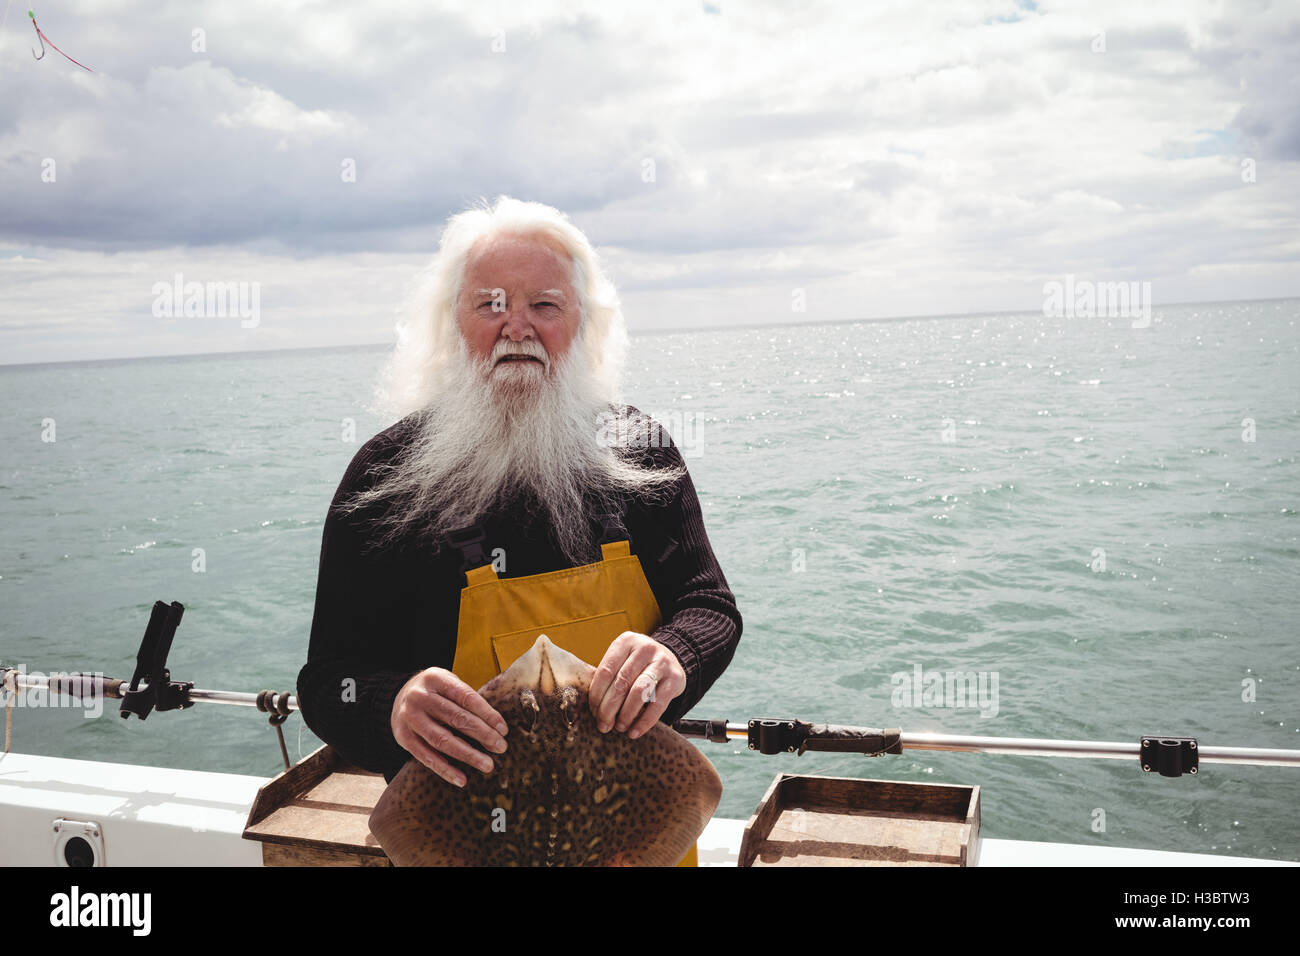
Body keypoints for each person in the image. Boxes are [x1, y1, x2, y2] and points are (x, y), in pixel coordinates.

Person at [296, 196, 742, 805]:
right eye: (491, 304)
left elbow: (708, 603)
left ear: (582, 324)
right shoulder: (384, 476)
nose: (517, 326)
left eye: (545, 305)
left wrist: (675, 653)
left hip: (633, 823)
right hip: (461, 833)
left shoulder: (639, 448)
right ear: (451, 323)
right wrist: (391, 704)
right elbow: (327, 680)